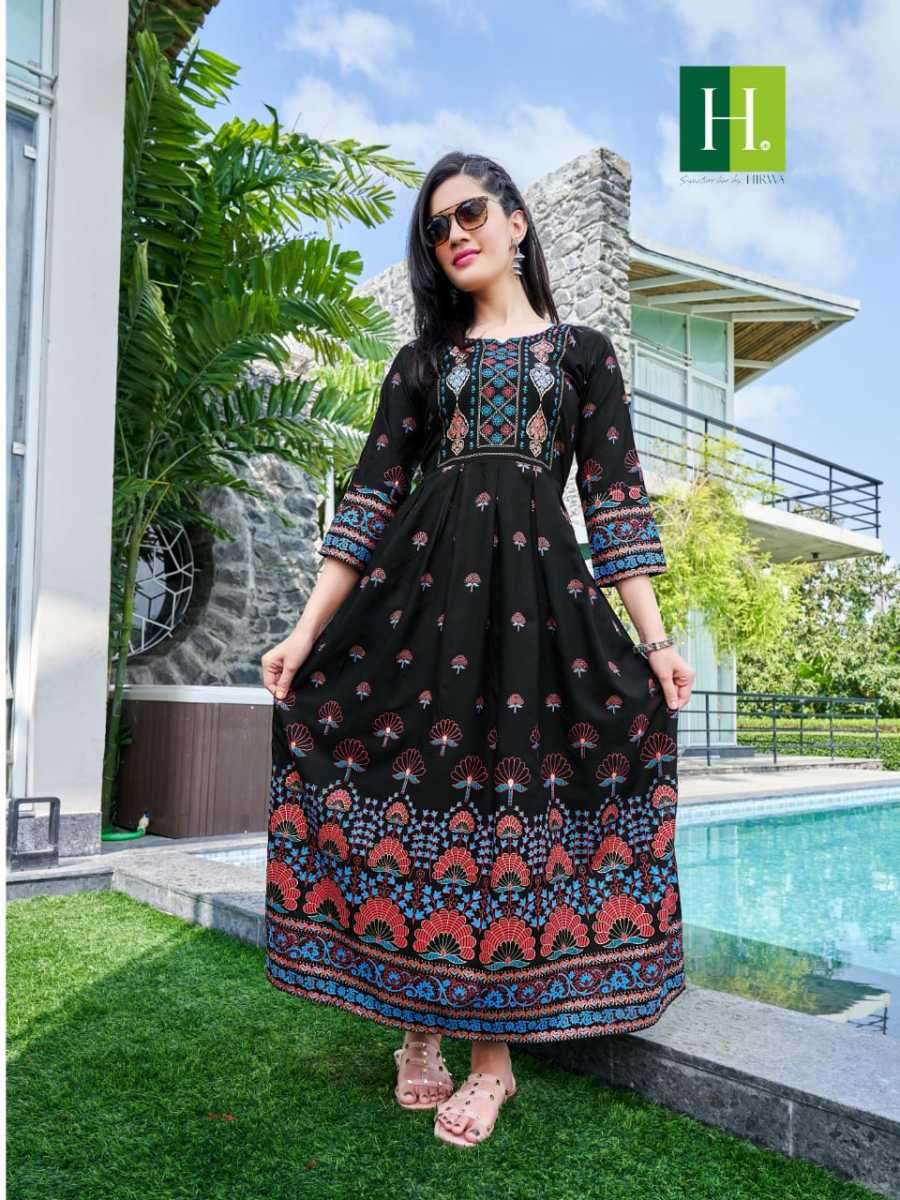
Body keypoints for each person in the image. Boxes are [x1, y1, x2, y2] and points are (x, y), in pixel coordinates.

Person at [260, 151, 695, 1148]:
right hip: (417, 607)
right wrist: (303, 634)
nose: (453, 235)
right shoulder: (424, 364)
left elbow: (615, 500)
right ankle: (419, 1030)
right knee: (421, 788)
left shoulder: (582, 356)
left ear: (516, 221)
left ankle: (492, 1065)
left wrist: (656, 640)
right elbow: (370, 500)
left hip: (539, 617)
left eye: (468, 214)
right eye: (436, 227)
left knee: (505, 803)